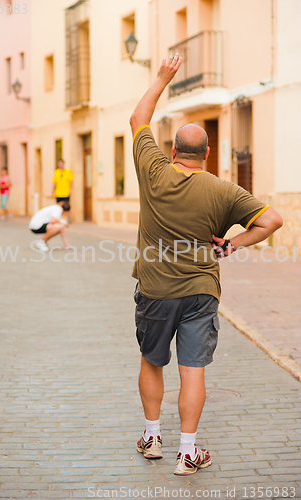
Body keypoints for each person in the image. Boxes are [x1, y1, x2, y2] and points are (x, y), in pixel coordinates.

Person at [130, 54, 283, 476]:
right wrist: (233, 243)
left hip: (155, 288)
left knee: (151, 362)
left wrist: (162, 78)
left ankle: (152, 439)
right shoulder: (224, 189)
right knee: (192, 370)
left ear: (173, 150)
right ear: (208, 153)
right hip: (201, 291)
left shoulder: (153, 170)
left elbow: (139, 118)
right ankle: (188, 452)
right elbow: (272, 221)